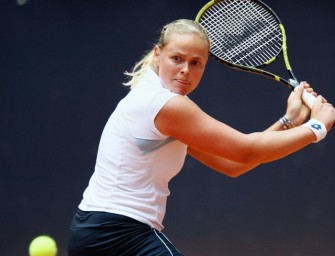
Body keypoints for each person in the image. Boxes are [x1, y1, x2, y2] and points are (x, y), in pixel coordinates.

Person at [67, 19, 335, 256]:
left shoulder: (155, 101)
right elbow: (246, 150)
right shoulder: (167, 105)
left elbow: (233, 165)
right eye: (177, 58)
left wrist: (290, 122)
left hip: (94, 232)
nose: (186, 69)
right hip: (119, 234)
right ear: (158, 55)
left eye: (196, 63)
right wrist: (317, 127)